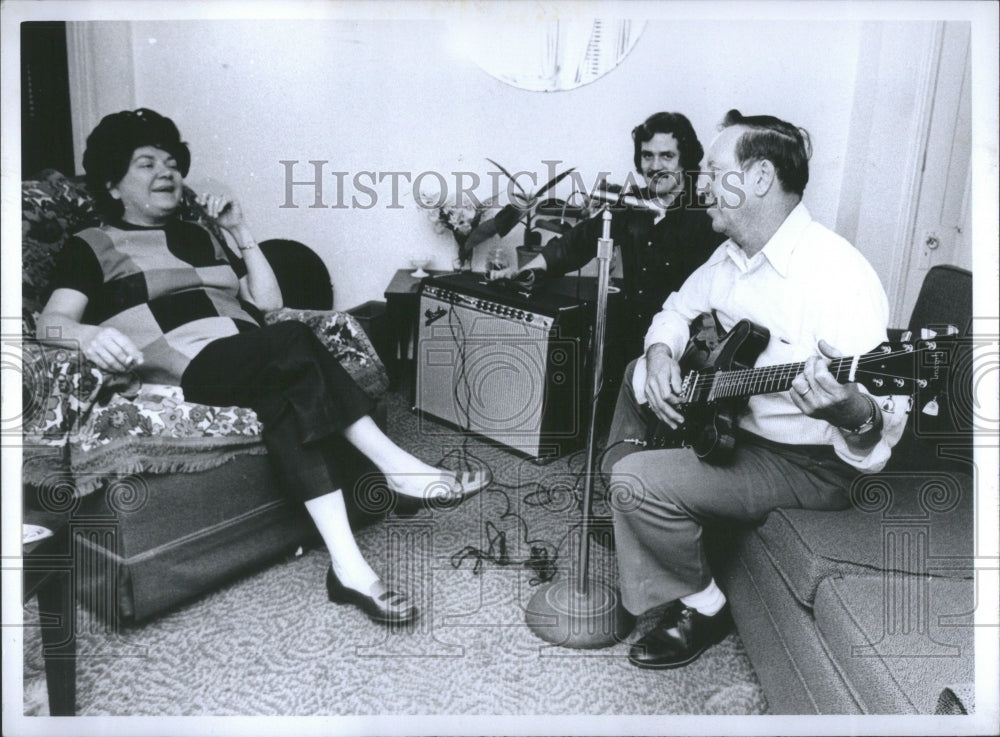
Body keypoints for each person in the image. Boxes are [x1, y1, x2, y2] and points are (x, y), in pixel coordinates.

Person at [36, 109, 490, 627]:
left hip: (250, 358)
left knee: (284, 399)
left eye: (171, 162)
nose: (166, 173)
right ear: (113, 184)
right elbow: (51, 323)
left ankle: (350, 571)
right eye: (146, 164)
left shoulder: (201, 235)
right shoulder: (90, 246)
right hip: (187, 369)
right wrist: (89, 335)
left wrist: (239, 230)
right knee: (293, 342)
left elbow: (268, 302)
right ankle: (401, 470)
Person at [604, 110, 909, 669]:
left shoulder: (838, 276)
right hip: (737, 429)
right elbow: (674, 311)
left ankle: (705, 606)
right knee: (634, 373)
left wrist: (851, 411)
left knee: (632, 481)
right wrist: (660, 353)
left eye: (715, 171)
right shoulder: (729, 259)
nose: (700, 184)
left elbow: (881, 420)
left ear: (761, 178)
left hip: (807, 463)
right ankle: (633, 517)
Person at [508, 112, 724, 360]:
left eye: (666, 156)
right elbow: (577, 242)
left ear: (685, 160)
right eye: (647, 156)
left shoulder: (707, 217)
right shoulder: (631, 202)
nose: (654, 167)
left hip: (681, 350)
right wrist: (524, 272)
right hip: (629, 339)